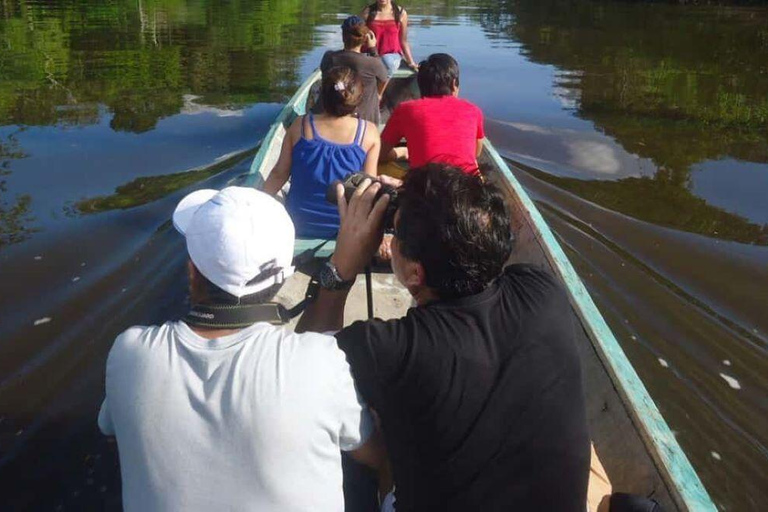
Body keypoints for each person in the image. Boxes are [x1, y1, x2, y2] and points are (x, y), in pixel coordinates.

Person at [298, 164, 591, 511]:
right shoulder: (542, 290)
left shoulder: (386, 350)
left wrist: (343, 264)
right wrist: (420, 203)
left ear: (415, 273)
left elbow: (296, 375)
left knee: (345, 440)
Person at [97, 187, 389, 512]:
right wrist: (341, 270)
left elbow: (110, 431)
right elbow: (374, 454)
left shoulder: (129, 353)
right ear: (284, 275)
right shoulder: (319, 362)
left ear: (192, 270)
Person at [262, 66, 380, 239]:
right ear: (358, 100)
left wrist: (256, 201)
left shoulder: (300, 125)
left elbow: (279, 175)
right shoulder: (369, 133)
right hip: (343, 231)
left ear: (322, 96)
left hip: (296, 225)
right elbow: (368, 189)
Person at [380, 53, 485, 174]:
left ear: (420, 86)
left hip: (425, 188)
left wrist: (403, 152)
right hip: (468, 187)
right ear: (454, 84)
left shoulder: (405, 110)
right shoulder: (473, 110)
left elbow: (381, 153)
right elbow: (476, 153)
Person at [321, 15, 389, 125]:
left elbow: (324, 78)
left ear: (343, 37)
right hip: (366, 121)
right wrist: (373, 50)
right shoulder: (373, 62)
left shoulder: (329, 57)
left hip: (334, 117)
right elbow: (384, 79)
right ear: (365, 38)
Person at [362, 0, 418, 76]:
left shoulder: (400, 13)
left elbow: (403, 41)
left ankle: (379, 87)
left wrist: (411, 62)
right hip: (370, 53)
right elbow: (359, 37)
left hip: (392, 55)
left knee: (387, 61)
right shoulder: (367, 12)